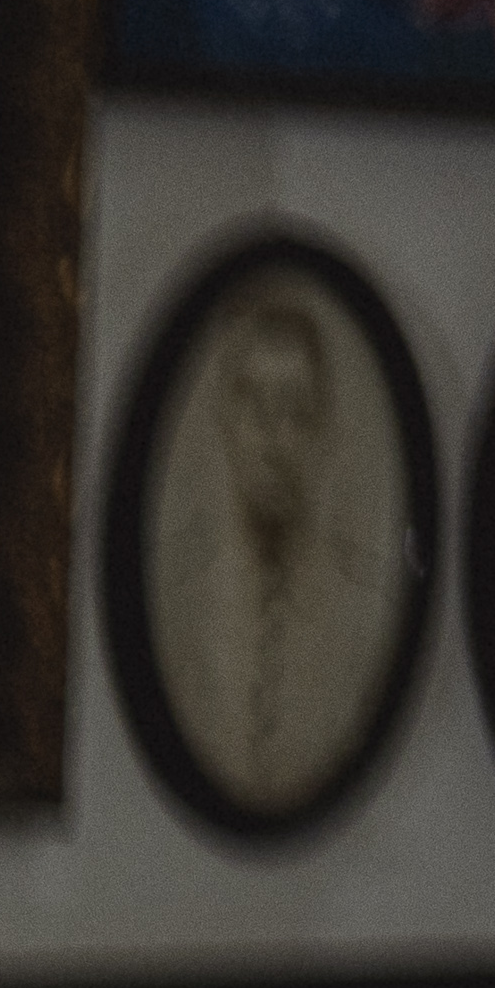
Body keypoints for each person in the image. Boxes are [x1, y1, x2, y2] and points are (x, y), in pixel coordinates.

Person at [154, 285, 399, 808]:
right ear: (227, 419)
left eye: (296, 411)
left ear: (321, 432)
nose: (273, 439)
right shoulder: (175, 593)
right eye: (256, 406)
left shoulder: (367, 603)